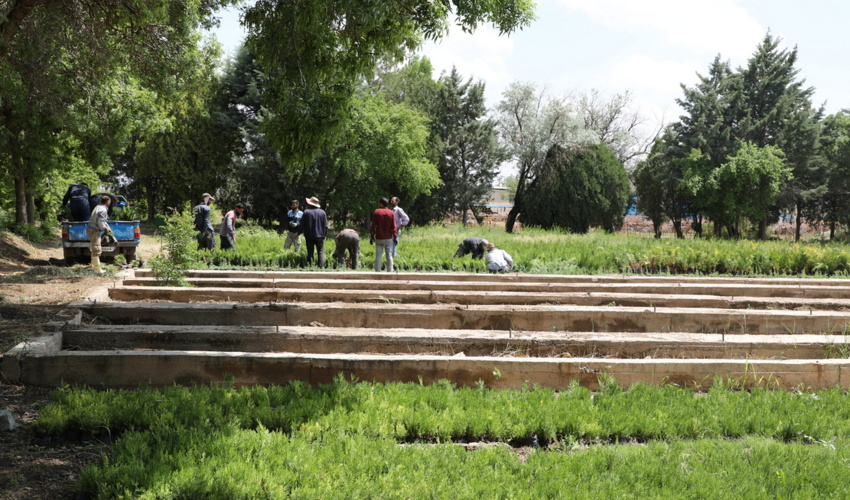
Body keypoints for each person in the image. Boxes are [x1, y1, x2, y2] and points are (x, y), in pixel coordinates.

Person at [370, 198, 397, 272]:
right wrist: (395, 237)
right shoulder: (391, 213)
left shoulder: (376, 212)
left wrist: (372, 236)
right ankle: (390, 271)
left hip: (379, 237)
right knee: (389, 255)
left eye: (379, 203)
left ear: (381, 204)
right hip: (388, 238)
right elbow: (394, 226)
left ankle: (378, 271)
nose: (378, 204)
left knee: (378, 255)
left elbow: (373, 226)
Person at [86, 195, 112, 273]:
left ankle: (93, 265)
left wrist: (107, 226)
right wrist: (105, 228)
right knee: (97, 249)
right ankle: (98, 269)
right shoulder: (103, 210)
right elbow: (100, 222)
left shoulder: (98, 207)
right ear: (108, 202)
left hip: (91, 230)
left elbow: (102, 221)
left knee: (94, 248)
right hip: (94, 231)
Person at [301, 196, 328, 267]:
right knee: (321, 251)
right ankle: (321, 266)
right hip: (320, 235)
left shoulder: (306, 212)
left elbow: (302, 224)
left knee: (310, 252)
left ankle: (310, 266)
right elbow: (325, 225)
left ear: (310, 204)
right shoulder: (322, 212)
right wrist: (325, 235)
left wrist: (298, 233)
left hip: (309, 235)